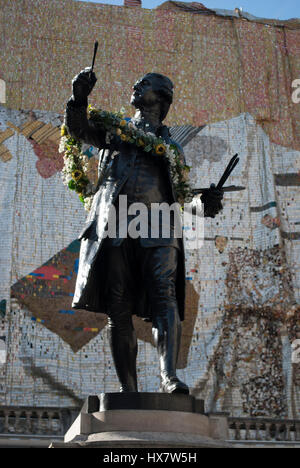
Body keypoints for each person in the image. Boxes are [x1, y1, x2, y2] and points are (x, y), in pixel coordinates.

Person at [65, 68, 223, 394]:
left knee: (165, 297)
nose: (136, 85)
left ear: (162, 98)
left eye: (145, 84)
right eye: (138, 83)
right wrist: (79, 98)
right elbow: (78, 128)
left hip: (160, 226)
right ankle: (129, 390)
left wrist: (205, 202)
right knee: (118, 307)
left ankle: (169, 378)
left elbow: (182, 198)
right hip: (116, 225)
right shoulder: (113, 131)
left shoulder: (172, 150)